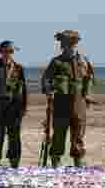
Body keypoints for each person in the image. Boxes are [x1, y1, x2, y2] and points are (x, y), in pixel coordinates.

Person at [40, 30, 95, 167]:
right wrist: (49, 91)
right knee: (59, 133)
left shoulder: (83, 60)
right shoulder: (56, 62)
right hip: (61, 102)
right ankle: (55, 161)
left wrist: (87, 96)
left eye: (72, 43)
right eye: (66, 43)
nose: (69, 46)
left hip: (79, 102)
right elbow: (46, 80)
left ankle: (78, 161)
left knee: (78, 133)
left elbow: (90, 79)